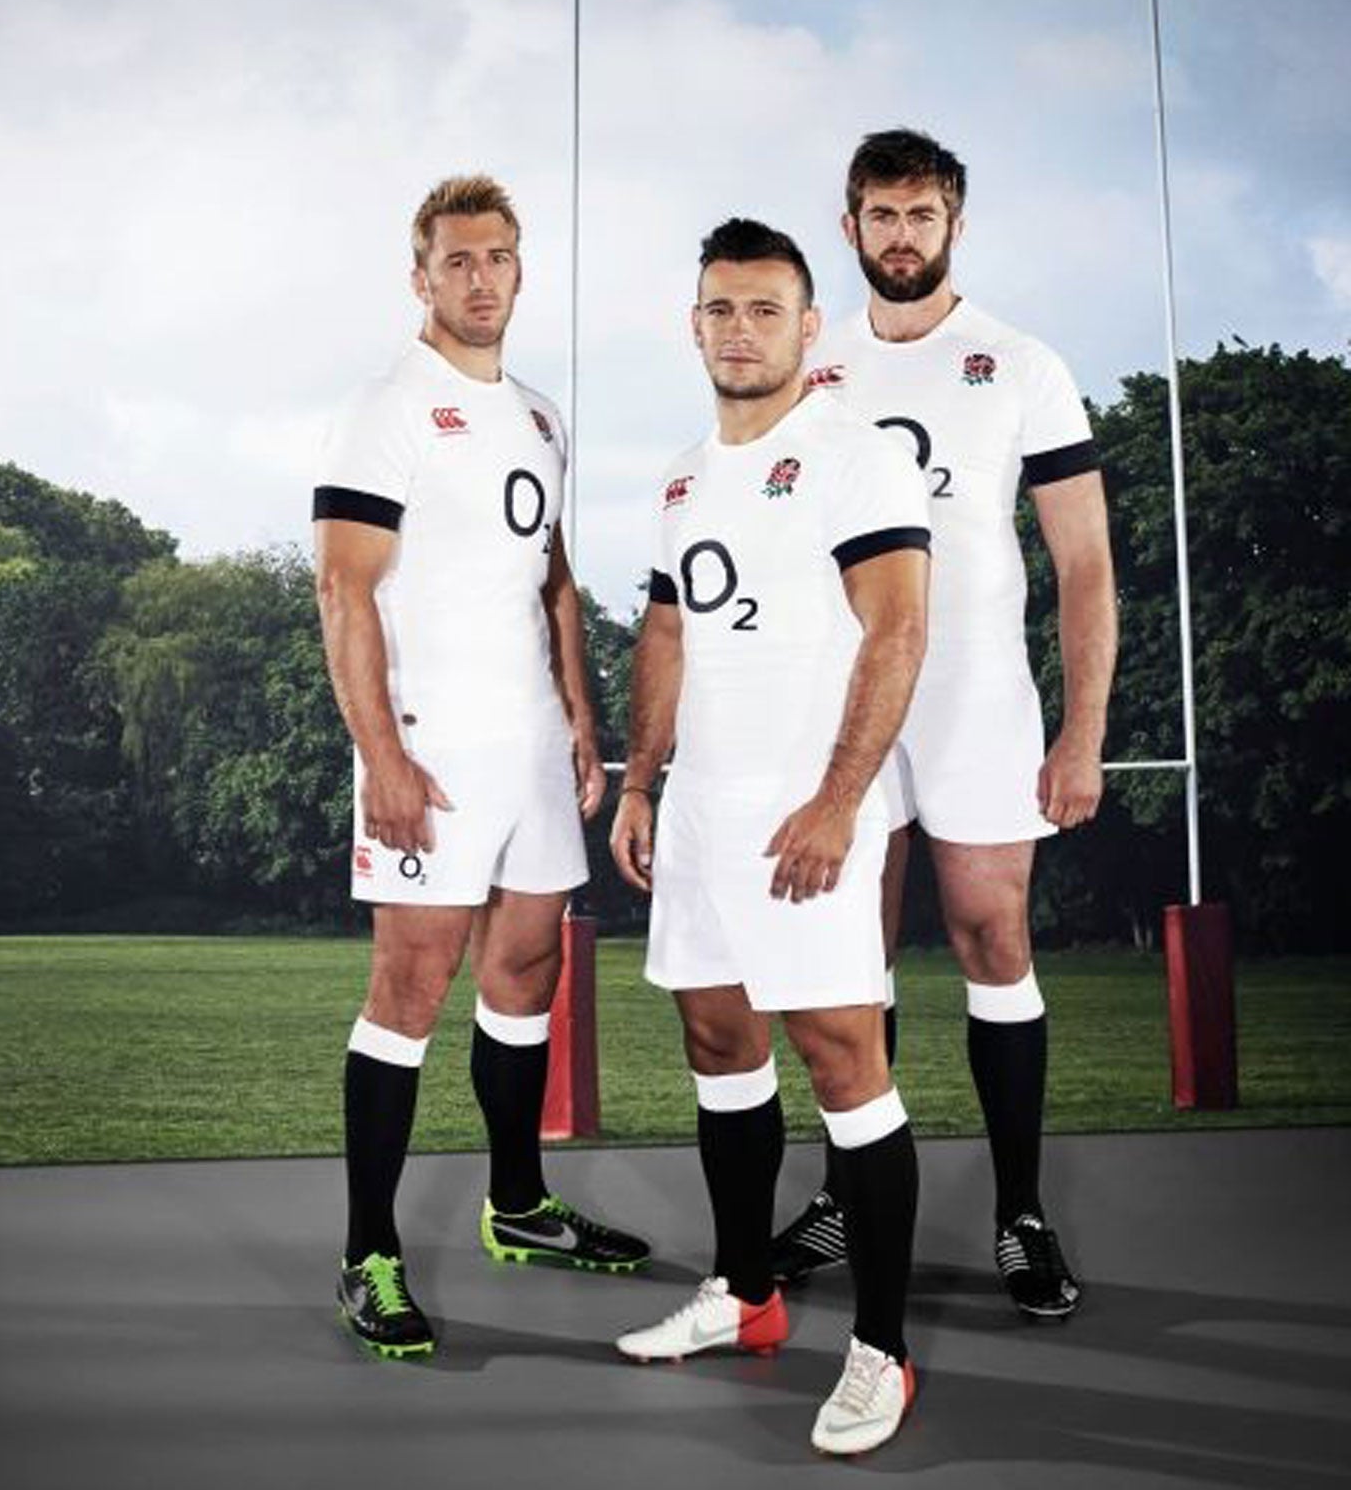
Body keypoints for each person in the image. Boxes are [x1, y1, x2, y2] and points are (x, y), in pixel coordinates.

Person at [770, 130, 1118, 1321]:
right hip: (845, 701)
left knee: (989, 938)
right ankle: (838, 1196)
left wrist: (1080, 733)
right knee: (842, 954)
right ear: (849, 224)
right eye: (881, 215)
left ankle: (1018, 1212)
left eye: (923, 215)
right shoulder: (809, 368)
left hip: (975, 698)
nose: (902, 235)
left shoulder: (1017, 364)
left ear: (954, 222)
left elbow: (1083, 566)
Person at [313, 174, 649, 1360]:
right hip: (431, 748)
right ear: (419, 277)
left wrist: (579, 714)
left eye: (496, 258)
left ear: (519, 270)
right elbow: (342, 588)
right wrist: (382, 756)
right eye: (454, 260)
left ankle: (517, 1207)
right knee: (407, 992)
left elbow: (553, 576)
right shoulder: (386, 408)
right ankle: (367, 1256)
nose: (478, 278)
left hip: (528, 752)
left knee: (523, 975)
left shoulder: (544, 416)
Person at [608, 218, 929, 1455]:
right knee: (716, 1038)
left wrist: (840, 800)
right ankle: (744, 1297)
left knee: (843, 1055)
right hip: (699, 808)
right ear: (692, 325)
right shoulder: (681, 477)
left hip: (812, 811)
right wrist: (642, 782)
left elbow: (897, 630)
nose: (739, 330)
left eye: (764, 310)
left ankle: (882, 1354)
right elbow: (668, 636)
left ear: (807, 325)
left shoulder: (852, 459)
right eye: (719, 309)